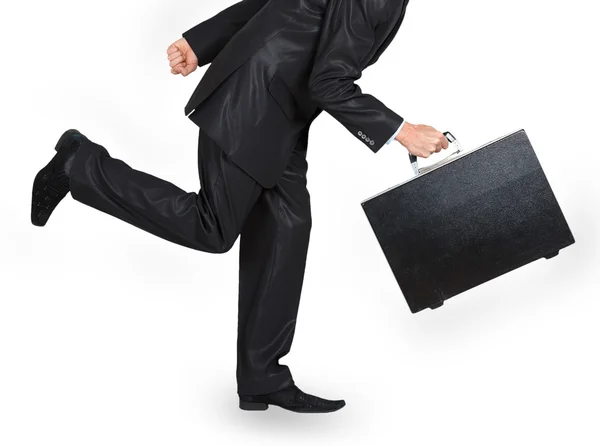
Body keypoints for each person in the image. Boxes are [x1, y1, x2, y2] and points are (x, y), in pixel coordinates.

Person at [31, 0, 449, 414]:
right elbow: (329, 80)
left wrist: (202, 42)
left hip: (279, 111)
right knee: (211, 226)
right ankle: (80, 165)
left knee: (285, 227)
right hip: (251, 104)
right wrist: (402, 132)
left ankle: (261, 377)